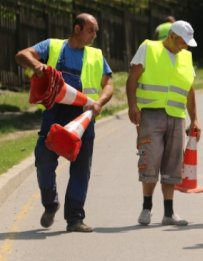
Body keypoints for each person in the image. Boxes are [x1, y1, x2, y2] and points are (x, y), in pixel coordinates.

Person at [15, 13, 113, 232]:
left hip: (83, 116)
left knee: (81, 168)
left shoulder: (96, 55)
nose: (94, 35)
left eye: (96, 31)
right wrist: (36, 66)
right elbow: (22, 55)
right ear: (77, 28)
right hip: (54, 114)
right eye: (91, 30)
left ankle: (75, 218)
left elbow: (109, 85)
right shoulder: (53, 46)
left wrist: (99, 103)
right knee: (44, 162)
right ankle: (51, 204)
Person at [126, 20, 200, 226]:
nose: (184, 46)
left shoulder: (186, 56)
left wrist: (194, 118)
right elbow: (132, 79)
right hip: (150, 115)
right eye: (182, 42)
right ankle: (146, 208)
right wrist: (132, 106)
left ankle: (169, 213)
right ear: (172, 37)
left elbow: (190, 91)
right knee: (149, 161)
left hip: (176, 116)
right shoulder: (149, 47)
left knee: (172, 165)